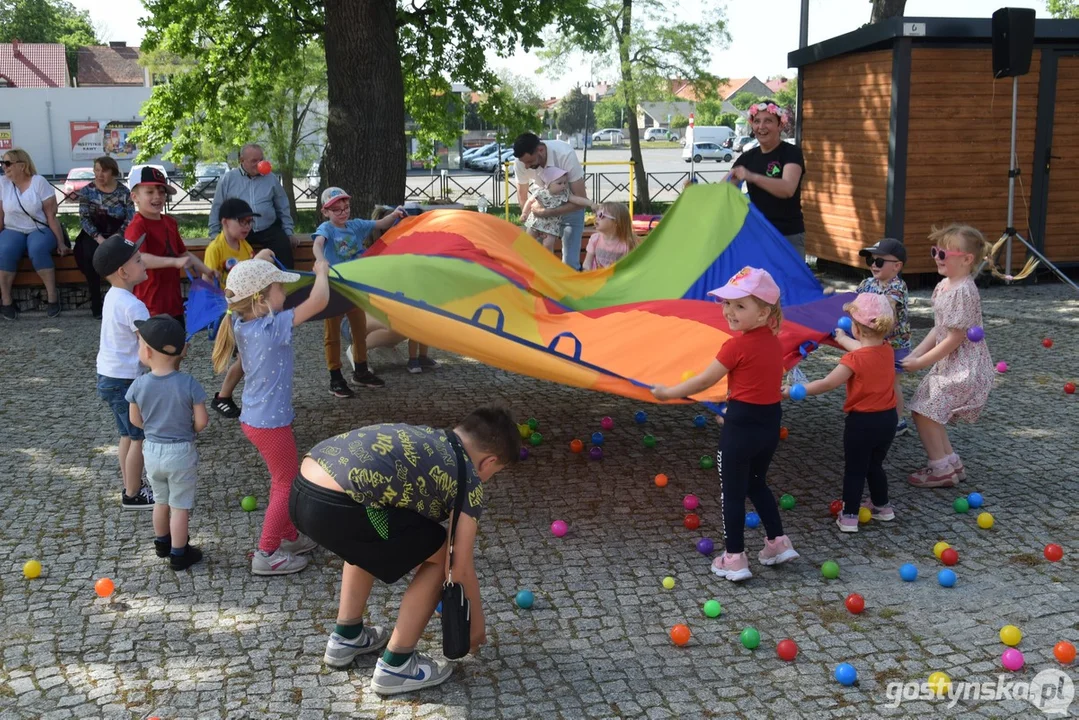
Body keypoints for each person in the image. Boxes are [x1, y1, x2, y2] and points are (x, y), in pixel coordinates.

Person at [288, 407, 520, 695]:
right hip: (339, 507)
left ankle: (348, 636)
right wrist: (476, 629)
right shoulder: (468, 478)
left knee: (368, 529)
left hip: (301, 492)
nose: (488, 479)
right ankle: (397, 664)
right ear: (489, 462)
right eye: (494, 474)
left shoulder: (428, 438)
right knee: (441, 555)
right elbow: (458, 566)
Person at [651, 267, 798, 582]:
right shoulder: (776, 344)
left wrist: (667, 393)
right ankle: (777, 542)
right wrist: (733, 411)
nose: (729, 311)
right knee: (757, 483)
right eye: (727, 303)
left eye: (740, 306)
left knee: (731, 494)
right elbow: (762, 391)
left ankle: (734, 558)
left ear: (763, 313)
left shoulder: (735, 347)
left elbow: (705, 380)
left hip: (742, 429)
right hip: (767, 425)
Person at [211, 252, 330, 575]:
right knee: (286, 483)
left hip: (256, 419)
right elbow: (318, 300)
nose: (286, 293)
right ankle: (267, 552)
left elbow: (242, 289)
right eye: (280, 288)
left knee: (282, 479)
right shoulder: (272, 326)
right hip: (270, 424)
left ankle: (288, 536)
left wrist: (259, 260)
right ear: (262, 299)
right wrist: (321, 271)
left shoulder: (241, 321)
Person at [782, 294, 898, 533]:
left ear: (856, 327)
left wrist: (794, 390)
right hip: (888, 420)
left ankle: (849, 517)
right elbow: (866, 348)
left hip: (862, 424)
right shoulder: (887, 350)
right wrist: (843, 339)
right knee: (874, 465)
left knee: (855, 469)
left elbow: (826, 383)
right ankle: (882, 507)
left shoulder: (853, 359)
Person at [901, 224, 994, 488]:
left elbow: (955, 337)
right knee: (927, 410)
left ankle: (940, 470)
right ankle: (951, 462)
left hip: (963, 366)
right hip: (951, 363)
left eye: (944, 254)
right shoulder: (945, 285)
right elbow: (940, 327)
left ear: (967, 260)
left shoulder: (963, 291)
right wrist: (917, 351)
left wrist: (921, 362)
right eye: (935, 251)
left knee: (924, 411)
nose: (937, 258)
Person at [126, 315, 209, 569]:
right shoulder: (188, 383)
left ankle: (162, 543)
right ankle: (179, 553)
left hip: (152, 450)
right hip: (181, 451)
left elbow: (135, 420)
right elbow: (202, 421)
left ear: (148, 352)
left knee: (161, 501)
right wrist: (188, 429)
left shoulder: (139, 385)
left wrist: (153, 428)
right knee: (180, 506)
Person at [312, 187, 403, 396]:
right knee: (332, 335)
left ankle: (361, 370)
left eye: (346, 207)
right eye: (337, 210)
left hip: (354, 287)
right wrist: (320, 259)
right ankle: (335, 377)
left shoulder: (355, 226)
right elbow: (317, 244)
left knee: (359, 329)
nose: (343, 212)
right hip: (334, 288)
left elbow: (381, 223)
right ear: (326, 212)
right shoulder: (327, 228)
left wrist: (395, 215)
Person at [93, 234, 153, 509]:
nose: (144, 265)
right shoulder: (134, 305)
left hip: (108, 376)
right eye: (138, 261)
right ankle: (133, 494)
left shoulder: (113, 297)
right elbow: (148, 348)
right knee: (138, 437)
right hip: (126, 380)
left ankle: (131, 483)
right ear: (123, 271)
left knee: (127, 435)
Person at [202, 198, 275, 418]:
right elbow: (206, 281)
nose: (247, 227)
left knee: (248, 358)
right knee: (247, 358)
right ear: (225, 222)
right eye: (242, 222)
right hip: (230, 313)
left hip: (247, 310)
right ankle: (225, 397)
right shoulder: (216, 248)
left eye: (249, 223)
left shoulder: (245, 246)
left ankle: (229, 396)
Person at [834, 238, 911, 435]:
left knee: (892, 383)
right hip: (869, 343)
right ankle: (874, 412)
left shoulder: (897, 286)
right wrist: (836, 296)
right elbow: (855, 298)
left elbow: (888, 308)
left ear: (897, 266)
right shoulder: (867, 282)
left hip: (894, 345)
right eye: (871, 261)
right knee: (871, 379)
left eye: (879, 262)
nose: (873, 266)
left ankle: (896, 420)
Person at [125, 166, 215, 325]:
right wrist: (173, 262)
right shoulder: (137, 226)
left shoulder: (170, 222)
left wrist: (207, 270)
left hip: (173, 302)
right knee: (155, 349)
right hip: (149, 304)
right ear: (134, 197)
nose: (157, 196)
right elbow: (139, 259)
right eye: (150, 192)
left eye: (161, 192)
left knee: (179, 346)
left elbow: (182, 253)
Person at [353, 205, 436, 374]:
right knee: (403, 323)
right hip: (359, 316)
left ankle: (399, 349)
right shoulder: (374, 256)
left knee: (414, 318)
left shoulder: (401, 254)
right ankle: (357, 351)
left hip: (379, 312)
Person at [729, 103, 806, 259]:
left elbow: (787, 189)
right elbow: (724, 189)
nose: (761, 126)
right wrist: (697, 191)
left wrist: (751, 176)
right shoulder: (747, 157)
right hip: (757, 234)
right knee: (756, 282)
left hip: (787, 235)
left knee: (787, 283)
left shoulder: (791, 153)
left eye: (768, 121)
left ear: (780, 125)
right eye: (757, 121)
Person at [0, 148, 70, 319]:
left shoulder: (39, 182)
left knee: (37, 249)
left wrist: (60, 242)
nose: (4, 167)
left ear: (22, 165)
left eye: (8, 163)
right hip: (12, 228)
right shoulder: (3, 183)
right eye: (2, 163)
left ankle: (52, 297)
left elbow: (51, 216)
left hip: (39, 228)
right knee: (5, 251)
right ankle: (6, 300)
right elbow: (1, 215)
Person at [208, 144, 298, 268]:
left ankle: (287, 284)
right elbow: (217, 207)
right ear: (242, 160)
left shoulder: (271, 178)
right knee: (237, 257)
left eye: (261, 160)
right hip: (240, 229)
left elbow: (282, 206)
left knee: (283, 247)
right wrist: (214, 234)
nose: (259, 164)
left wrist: (288, 231)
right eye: (254, 161)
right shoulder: (228, 179)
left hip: (268, 228)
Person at [512, 133, 588, 270]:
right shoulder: (521, 163)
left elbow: (581, 197)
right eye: (524, 163)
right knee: (539, 263)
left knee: (570, 264)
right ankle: (543, 290)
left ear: (540, 150)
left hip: (570, 208)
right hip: (541, 213)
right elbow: (523, 196)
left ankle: (570, 289)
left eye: (530, 162)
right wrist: (533, 221)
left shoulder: (565, 154)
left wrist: (548, 212)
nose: (527, 167)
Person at [74, 156, 137, 318]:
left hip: (118, 232)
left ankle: (122, 303)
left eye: (104, 170)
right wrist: (100, 239)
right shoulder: (87, 191)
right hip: (94, 233)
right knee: (89, 255)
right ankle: (96, 305)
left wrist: (115, 237)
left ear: (113, 172)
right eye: (97, 170)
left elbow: (130, 218)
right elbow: (84, 219)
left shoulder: (123, 192)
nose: (99, 174)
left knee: (124, 257)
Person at [521, 167, 590, 255]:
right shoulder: (541, 192)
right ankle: (526, 257)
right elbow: (529, 201)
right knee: (529, 238)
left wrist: (590, 203)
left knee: (548, 244)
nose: (563, 186)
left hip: (551, 226)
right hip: (535, 223)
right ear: (548, 184)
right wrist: (524, 213)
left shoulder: (564, 195)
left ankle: (549, 260)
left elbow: (577, 200)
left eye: (565, 183)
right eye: (559, 183)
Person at [582, 202, 640, 271]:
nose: (597, 218)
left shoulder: (626, 244)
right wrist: (586, 271)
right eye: (596, 214)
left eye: (601, 215)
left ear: (616, 222)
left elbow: (630, 267)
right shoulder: (595, 239)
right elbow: (587, 262)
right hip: (598, 278)